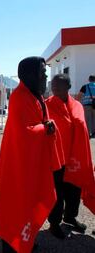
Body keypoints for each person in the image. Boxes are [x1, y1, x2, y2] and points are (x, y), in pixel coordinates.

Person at [0, 56, 63, 253]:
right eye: (42, 73)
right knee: (16, 207)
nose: (45, 77)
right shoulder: (20, 97)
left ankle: (28, 240)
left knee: (30, 205)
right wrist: (45, 128)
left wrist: (44, 127)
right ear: (30, 75)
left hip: (32, 165)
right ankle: (13, 245)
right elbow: (25, 132)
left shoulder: (35, 96)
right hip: (18, 167)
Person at [46, 74, 95, 238]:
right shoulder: (46, 106)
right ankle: (54, 223)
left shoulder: (77, 106)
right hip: (56, 159)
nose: (54, 89)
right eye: (53, 86)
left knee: (74, 190)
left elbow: (82, 129)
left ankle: (70, 217)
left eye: (58, 86)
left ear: (68, 87)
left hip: (75, 158)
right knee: (57, 193)